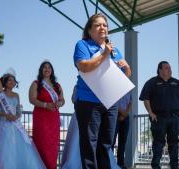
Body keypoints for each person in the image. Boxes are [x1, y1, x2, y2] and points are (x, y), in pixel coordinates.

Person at [73, 13, 131, 169]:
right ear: (90, 30)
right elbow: (84, 66)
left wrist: (127, 68)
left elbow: (122, 77)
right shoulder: (83, 45)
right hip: (88, 101)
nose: (102, 28)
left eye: (105, 25)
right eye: (98, 25)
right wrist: (104, 53)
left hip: (110, 102)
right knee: (89, 144)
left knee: (107, 143)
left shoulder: (114, 50)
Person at [139, 61, 179, 169]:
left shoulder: (177, 83)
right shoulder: (151, 83)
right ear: (160, 70)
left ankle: (174, 166)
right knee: (158, 143)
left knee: (174, 143)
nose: (169, 70)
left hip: (174, 118)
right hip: (158, 118)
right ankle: (156, 166)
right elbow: (146, 99)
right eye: (166, 68)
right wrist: (151, 113)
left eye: (170, 68)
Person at [0, 73, 46, 169]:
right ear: (4, 82)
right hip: (3, 123)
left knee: (16, 148)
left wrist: (17, 116)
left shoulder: (16, 95)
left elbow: (18, 110)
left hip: (15, 125)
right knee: (4, 150)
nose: (12, 82)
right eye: (9, 80)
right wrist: (5, 115)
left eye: (13, 80)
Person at [29, 61, 65, 169]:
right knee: (42, 143)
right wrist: (45, 105)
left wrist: (60, 103)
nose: (47, 69)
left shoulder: (57, 85)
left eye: (49, 67)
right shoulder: (36, 83)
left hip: (53, 118)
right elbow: (32, 99)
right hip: (41, 117)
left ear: (52, 71)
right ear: (41, 70)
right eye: (44, 67)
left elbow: (62, 99)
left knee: (53, 145)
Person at [112, 91, 132, 169]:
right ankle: (111, 163)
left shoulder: (128, 89)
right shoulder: (115, 88)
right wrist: (123, 113)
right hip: (115, 115)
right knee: (112, 141)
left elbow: (130, 102)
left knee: (122, 142)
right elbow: (113, 102)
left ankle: (120, 164)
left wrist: (125, 114)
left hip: (126, 117)